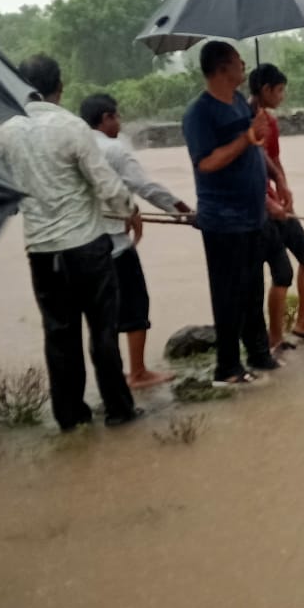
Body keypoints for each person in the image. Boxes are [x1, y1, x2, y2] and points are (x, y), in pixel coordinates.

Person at [0, 55, 141, 431]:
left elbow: (2, 191)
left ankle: (70, 415)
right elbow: (105, 184)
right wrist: (129, 208)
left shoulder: (8, 132)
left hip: (42, 253)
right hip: (87, 247)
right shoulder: (71, 127)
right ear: (59, 87)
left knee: (59, 334)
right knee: (103, 330)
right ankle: (119, 409)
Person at [81, 93, 192, 388]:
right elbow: (144, 185)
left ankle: (110, 379)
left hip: (83, 243)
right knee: (135, 304)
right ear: (105, 118)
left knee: (101, 316)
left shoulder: (77, 146)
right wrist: (182, 210)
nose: (120, 123)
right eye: (117, 116)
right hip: (115, 243)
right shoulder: (113, 149)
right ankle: (138, 372)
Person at [182, 41, 277, 385]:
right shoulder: (200, 113)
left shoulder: (239, 101)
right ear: (223, 68)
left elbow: (252, 151)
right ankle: (227, 367)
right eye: (239, 61)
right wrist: (247, 136)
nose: (243, 67)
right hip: (223, 220)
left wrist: (270, 196)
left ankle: (259, 354)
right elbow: (206, 163)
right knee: (228, 294)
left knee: (253, 288)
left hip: (253, 215)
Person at [248, 64, 304, 355]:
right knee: (281, 272)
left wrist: (284, 189)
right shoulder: (243, 121)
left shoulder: (269, 122)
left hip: (276, 203)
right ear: (265, 89)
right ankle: (274, 337)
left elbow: (274, 161)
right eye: (279, 91)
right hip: (259, 209)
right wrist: (269, 203)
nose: (282, 96)